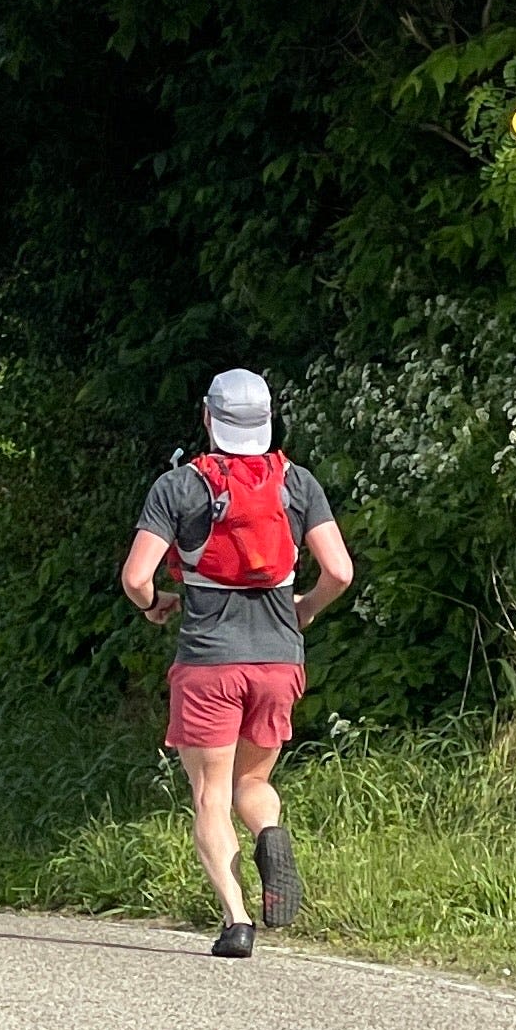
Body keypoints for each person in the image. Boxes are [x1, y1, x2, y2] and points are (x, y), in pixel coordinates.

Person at [119, 368, 356, 959]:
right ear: (268, 421)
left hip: (208, 666)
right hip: (278, 660)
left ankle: (237, 920)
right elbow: (342, 571)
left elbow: (135, 578)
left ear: (208, 417)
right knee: (256, 782)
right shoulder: (297, 484)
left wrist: (155, 607)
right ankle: (270, 836)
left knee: (210, 795)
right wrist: (300, 611)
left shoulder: (177, 488)